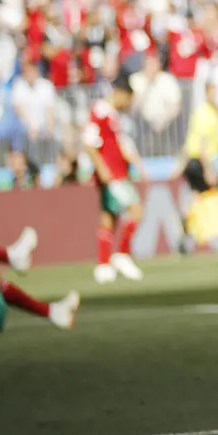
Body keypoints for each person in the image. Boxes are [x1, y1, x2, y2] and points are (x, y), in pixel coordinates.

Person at [84, 76, 146, 284]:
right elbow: (89, 142)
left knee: (109, 217)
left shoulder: (111, 115)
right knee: (136, 209)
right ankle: (122, 255)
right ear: (120, 93)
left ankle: (103, 265)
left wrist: (134, 162)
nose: (129, 104)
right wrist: (101, 168)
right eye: (128, 99)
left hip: (116, 172)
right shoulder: (101, 111)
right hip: (112, 174)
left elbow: (117, 144)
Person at [175, 81, 218, 255]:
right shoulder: (204, 114)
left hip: (196, 161)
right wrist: (208, 169)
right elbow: (201, 144)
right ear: (207, 93)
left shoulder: (213, 113)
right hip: (198, 161)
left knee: (197, 197)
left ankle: (189, 231)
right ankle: (196, 230)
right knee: (207, 195)